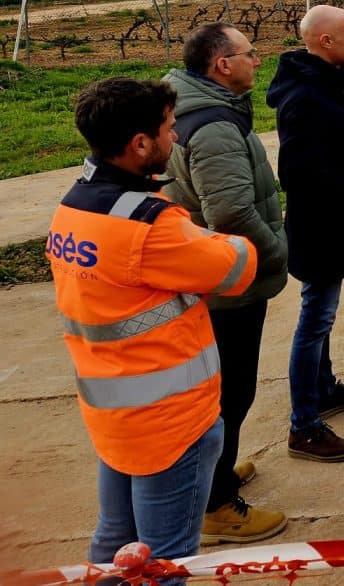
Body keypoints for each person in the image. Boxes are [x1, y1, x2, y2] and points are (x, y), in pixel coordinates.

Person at [48, 77, 257, 566]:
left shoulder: (75, 205)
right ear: (140, 144)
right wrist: (206, 237)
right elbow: (237, 266)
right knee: (165, 560)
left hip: (113, 412)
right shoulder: (147, 225)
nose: (176, 138)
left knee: (114, 540)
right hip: (172, 422)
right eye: (168, 129)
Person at [164, 24, 289, 544]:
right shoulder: (213, 126)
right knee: (229, 391)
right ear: (222, 64)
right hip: (228, 282)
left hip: (217, 276)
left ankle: (216, 470)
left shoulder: (195, 107)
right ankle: (216, 505)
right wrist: (276, 252)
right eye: (250, 53)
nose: (257, 61)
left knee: (223, 388)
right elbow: (232, 211)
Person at [267, 4, 344, 463]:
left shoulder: (325, 83)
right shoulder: (305, 97)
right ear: (326, 42)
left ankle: (323, 387)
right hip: (320, 228)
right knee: (316, 317)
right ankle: (304, 427)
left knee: (322, 314)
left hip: (330, 225)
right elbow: (295, 169)